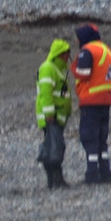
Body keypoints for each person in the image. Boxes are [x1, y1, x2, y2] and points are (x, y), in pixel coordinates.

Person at [73, 23, 111, 184]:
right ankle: (105, 171)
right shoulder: (106, 50)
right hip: (106, 99)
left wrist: (73, 66)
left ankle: (92, 173)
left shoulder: (88, 51)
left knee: (89, 137)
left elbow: (83, 74)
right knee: (101, 137)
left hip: (91, 100)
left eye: (78, 38)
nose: (77, 42)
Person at [34, 38, 72, 189]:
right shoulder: (48, 68)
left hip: (57, 117)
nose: (68, 58)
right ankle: (56, 180)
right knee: (54, 148)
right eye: (66, 54)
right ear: (60, 54)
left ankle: (53, 180)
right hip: (51, 117)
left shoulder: (58, 69)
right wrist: (49, 113)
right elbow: (46, 93)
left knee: (53, 146)